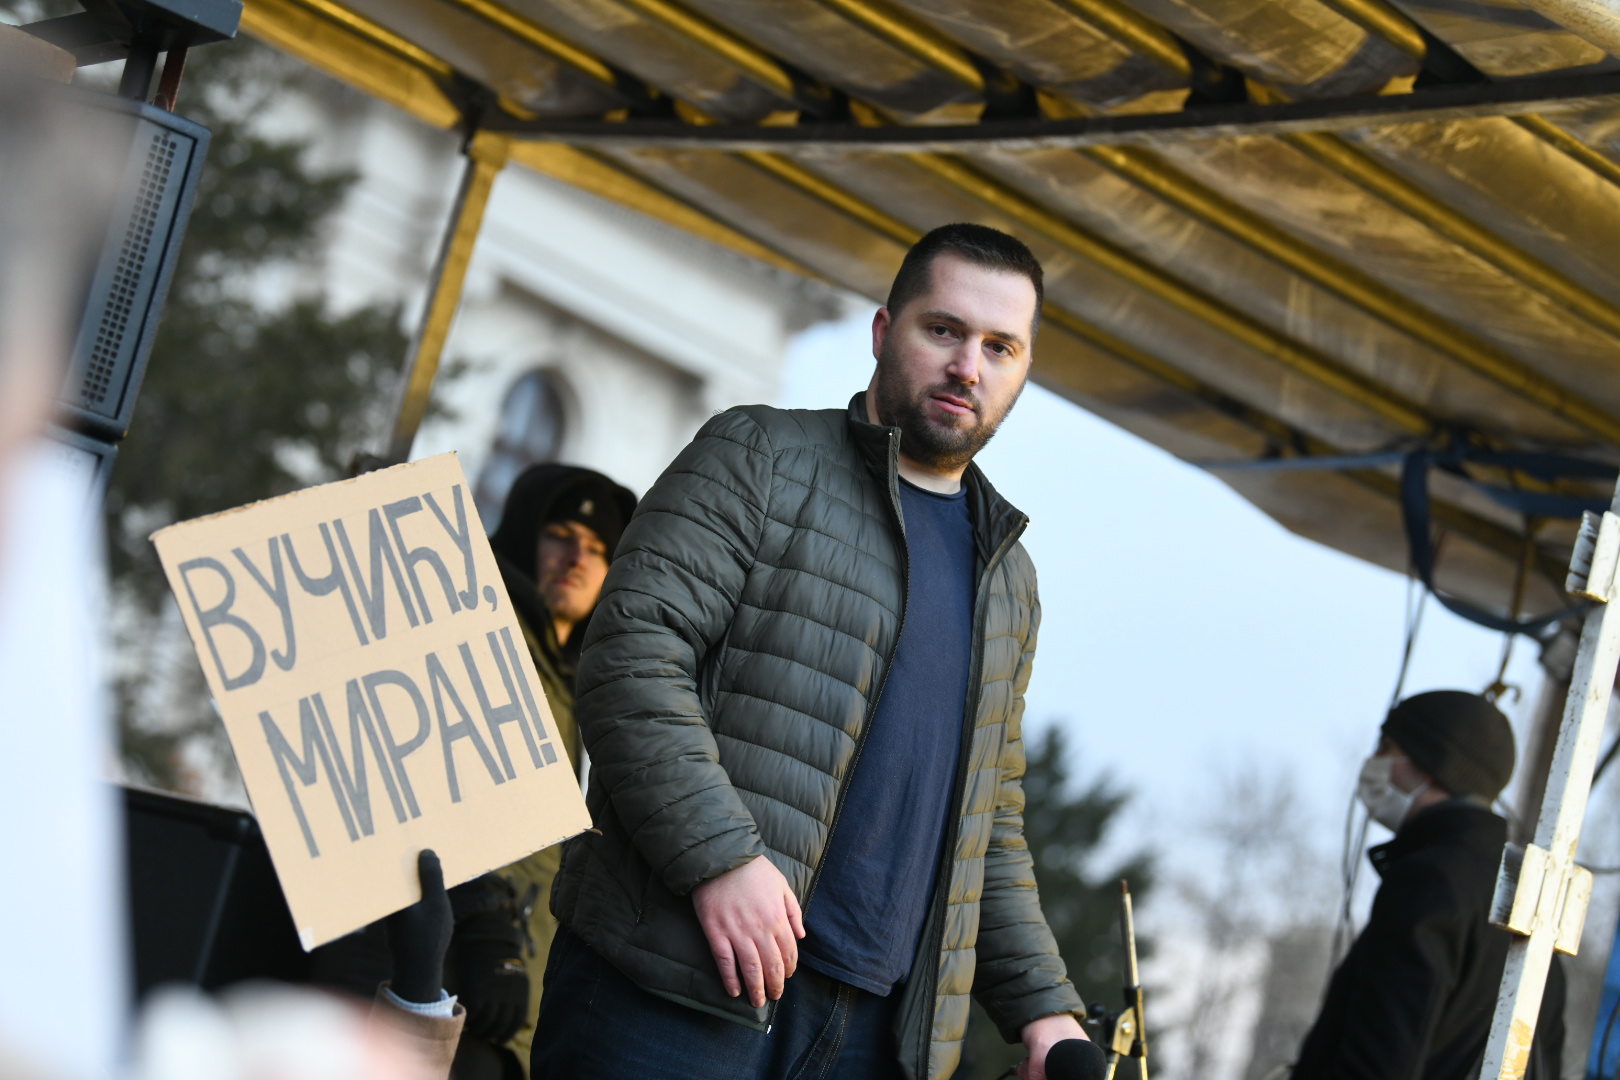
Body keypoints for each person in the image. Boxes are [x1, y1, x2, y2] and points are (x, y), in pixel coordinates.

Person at [531, 223, 1089, 1080]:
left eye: (999, 346)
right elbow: (632, 654)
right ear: (882, 331)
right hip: (674, 998)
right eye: (943, 330)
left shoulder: (1007, 575)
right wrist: (719, 856)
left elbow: (988, 827)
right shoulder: (756, 456)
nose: (967, 366)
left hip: (873, 1040)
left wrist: (1044, 1008)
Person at [1292, 690, 1565, 1080]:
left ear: (1433, 762)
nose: (1375, 764)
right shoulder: (1528, 904)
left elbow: (1380, 1060)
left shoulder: (1430, 882)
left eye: (1387, 748)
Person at [485, 464, 636, 1075]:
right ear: (526, 533)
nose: (577, 557)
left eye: (599, 549)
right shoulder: (485, 638)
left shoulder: (587, 687)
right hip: (447, 976)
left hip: (514, 994)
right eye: (561, 533)